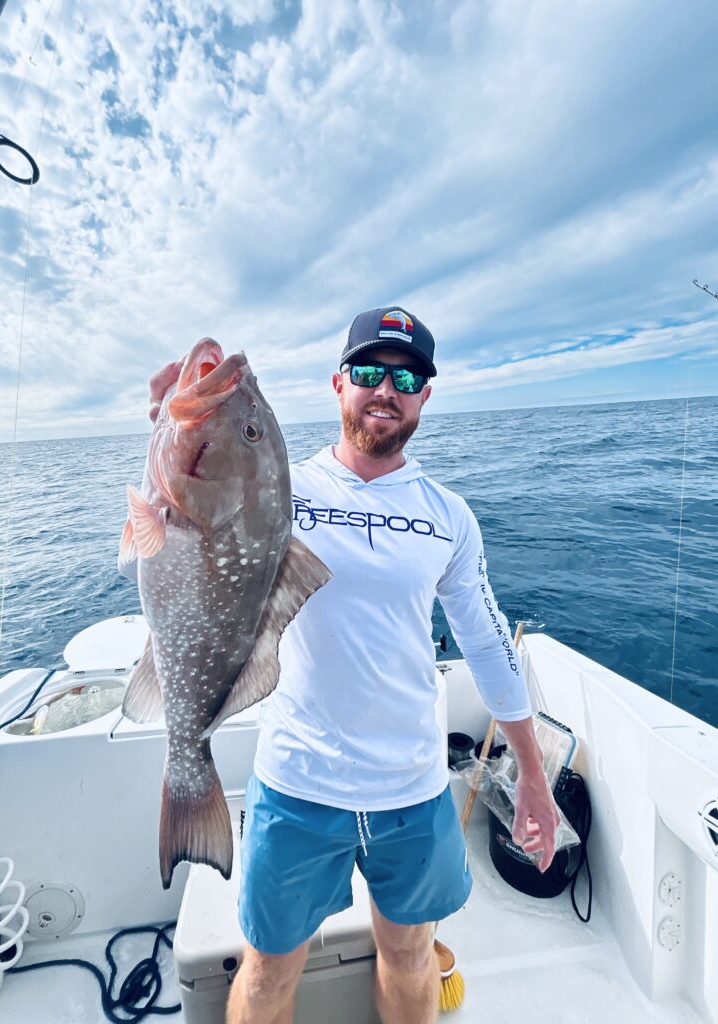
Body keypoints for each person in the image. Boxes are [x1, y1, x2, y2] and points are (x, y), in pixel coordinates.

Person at [146, 307, 560, 1024]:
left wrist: (531, 773)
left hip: (414, 786)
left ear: (425, 395)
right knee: (269, 969)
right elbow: (191, 526)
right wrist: (169, 430)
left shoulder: (448, 515)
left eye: (406, 377)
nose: (385, 389)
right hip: (299, 783)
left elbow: (489, 644)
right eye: (368, 372)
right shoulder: (282, 487)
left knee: (408, 954)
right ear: (338, 384)